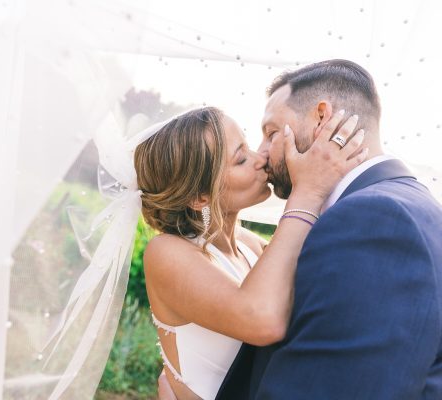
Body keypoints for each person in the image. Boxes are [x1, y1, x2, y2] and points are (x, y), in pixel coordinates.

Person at [215, 59, 442, 399]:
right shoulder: (400, 203)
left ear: (322, 117)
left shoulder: (374, 219)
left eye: (271, 133)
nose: (261, 154)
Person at [135, 104, 366, 399]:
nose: (261, 159)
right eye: (241, 159)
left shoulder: (250, 244)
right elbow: (262, 320)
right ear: (199, 196)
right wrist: (307, 193)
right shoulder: (166, 252)